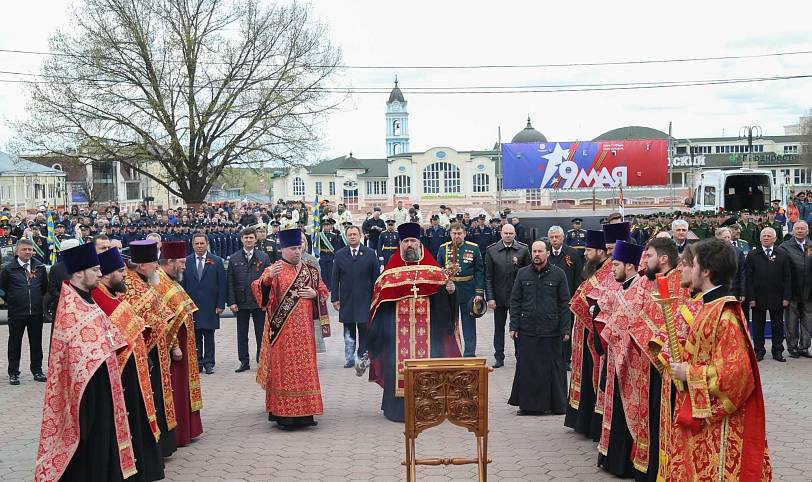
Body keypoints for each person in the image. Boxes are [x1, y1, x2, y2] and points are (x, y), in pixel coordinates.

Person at [667, 238, 772, 481]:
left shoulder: (725, 315)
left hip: (719, 423)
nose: (688, 270)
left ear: (705, 271)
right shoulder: (707, 307)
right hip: (699, 415)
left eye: (692, 265)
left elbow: (737, 376)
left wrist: (688, 373)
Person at [34, 242, 135, 482]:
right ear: (79, 272)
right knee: (91, 443)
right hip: (87, 394)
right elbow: (77, 356)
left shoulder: (87, 300)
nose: (100, 273)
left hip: (103, 385)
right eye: (95, 269)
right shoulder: (70, 307)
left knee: (104, 438)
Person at [365, 222, 462, 422]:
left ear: (419, 243)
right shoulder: (390, 272)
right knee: (395, 366)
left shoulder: (433, 270)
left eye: (413, 241)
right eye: (406, 241)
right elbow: (380, 304)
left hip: (428, 334)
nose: (410, 245)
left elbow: (443, 301)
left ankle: (428, 407)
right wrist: (379, 335)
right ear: (400, 244)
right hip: (396, 336)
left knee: (429, 366)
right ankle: (397, 410)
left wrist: (450, 292)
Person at [92, 247, 165, 482]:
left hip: (136, 370)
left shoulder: (112, 294)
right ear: (105, 274)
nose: (125, 275)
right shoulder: (99, 297)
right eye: (120, 271)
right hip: (123, 373)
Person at [251, 228, 330, 429]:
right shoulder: (273, 270)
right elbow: (260, 294)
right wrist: (267, 281)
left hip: (305, 334)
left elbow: (323, 291)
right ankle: (284, 415)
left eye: (299, 247)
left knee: (305, 372)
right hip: (282, 334)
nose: (297, 251)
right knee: (284, 373)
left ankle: (306, 414)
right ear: (283, 249)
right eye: (293, 248)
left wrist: (315, 295)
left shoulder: (310, 271)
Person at [121, 240, 177, 458]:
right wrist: (158, 320)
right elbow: (135, 319)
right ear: (142, 264)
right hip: (145, 350)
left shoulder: (146, 282)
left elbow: (160, 311)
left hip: (157, 349)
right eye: (153, 262)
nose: (157, 266)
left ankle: (163, 445)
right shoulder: (130, 285)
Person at [507, 240, 571, 415]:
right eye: (534, 251)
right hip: (527, 328)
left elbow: (564, 303)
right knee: (528, 367)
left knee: (554, 368)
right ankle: (529, 406)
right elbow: (515, 301)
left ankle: (557, 405)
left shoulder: (559, 275)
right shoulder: (522, 274)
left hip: (552, 329)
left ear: (547, 253)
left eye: (540, 251)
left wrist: (566, 329)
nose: (537, 254)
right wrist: (514, 326)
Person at [154, 241, 203, 447]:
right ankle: (179, 432)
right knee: (175, 389)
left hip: (184, 346)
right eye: (182, 262)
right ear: (170, 261)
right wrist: (174, 346)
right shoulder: (161, 283)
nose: (185, 266)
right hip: (174, 350)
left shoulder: (170, 280)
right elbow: (164, 320)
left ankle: (187, 429)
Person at [565, 230, 610, 441]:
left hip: (596, 334)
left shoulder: (608, 271)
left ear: (601, 252)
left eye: (589, 250)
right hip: (586, 329)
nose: (585, 254)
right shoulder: (595, 269)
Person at [2, 238, 49, 386]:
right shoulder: (8, 269)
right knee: (14, 343)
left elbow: (44, 289)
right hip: (17, 313)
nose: (28, 252)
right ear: (17, 251)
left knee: (36, 343)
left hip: (35, 312)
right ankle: (14, 373)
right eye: (24, 249)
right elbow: (3, 290)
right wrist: (13, 301)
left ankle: (37, 370)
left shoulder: (39, 267)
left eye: (30, 249)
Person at [331, 225, 379, 367]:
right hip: (347, 300)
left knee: (364, 329)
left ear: (360, 236)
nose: (352, 236)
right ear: (346, 237)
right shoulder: (340, 254)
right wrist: (334, 298)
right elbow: (335, 278)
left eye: (355, 234)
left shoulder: (370, 253)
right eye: (350, 234)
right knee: (349, 330)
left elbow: (376, 278)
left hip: (365, 299)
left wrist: (376, 298)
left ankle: (363, 357)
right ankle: (350, 358)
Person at [484, 223, 531, 368]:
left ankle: (520, 356)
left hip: (518, 298)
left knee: (519, 327)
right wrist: (490, 298)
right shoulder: (492, 251)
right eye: (506, 233)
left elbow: (529, 275)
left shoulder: (523, 250)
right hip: (498, 298)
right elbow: (488, 277)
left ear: (515, 234)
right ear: (501, 234)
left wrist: (527, 297)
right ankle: (499, 357)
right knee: (499, 328)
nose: (508, 236)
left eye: (511, 233)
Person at [227, 227, 272, 372]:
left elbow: (269, 282)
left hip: (259, 302)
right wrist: (232, 302)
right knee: (242, 334)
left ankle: (261, 360)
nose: (248, 240)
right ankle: (244, 361)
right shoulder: (234, 258)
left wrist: (266, 301)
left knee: (261, 333)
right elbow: (230, 282)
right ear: (241, 239)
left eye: (251, 238)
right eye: (246, 238)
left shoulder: (263, 257)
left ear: (255, 239)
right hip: (241, 302)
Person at [437, 223, 485, 356]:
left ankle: (469, 353)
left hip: (467, 289)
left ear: (464, 234)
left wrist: (479, 292)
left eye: (459, 233)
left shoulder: (473, 248)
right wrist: (442, 287)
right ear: (450, 234)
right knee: (449, 322)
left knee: (468, 322)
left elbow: (480, 271)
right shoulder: (443, 249)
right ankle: (451, 351)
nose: (456, 236)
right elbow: (438, 270)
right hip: (449, 290)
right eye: (454, 233)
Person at [745, 227, 791, 362]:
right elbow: (748, 277)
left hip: (778, 296)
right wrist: (751, 298)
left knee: (778, 326)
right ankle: (759, 351)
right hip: (758, 297)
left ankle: (777, 351)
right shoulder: (753, 255)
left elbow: (788, 277)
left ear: (775, 239)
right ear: (759, 238)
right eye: (763, 236)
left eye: (769, 236)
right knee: (758, 327)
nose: (766, 238)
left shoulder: (782, 254)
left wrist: (787, 297)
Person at [184, 233, 226, 374]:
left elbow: (222, 284)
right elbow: (183, 285)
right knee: (195, 335)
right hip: (192, 305)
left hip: (210, 305)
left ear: (207, 244)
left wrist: (220, 304)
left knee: (209, 335)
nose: (200, 246)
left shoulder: (216, 261)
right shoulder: (187, 261)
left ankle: (209, 363)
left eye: (202, 243)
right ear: (193, 245)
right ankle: (198, 362)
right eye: (197, 243)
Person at [547, 226, 583, 371]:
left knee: (566, 330)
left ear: (563, 238)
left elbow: (578, 276)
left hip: (567, 300)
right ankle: (550, 357)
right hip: (549, 299)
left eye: (557, 237)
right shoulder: (546, 253)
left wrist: (575, 298)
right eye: (552, 237)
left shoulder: (572, 253)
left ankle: (566, 359)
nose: (554, 240)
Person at [777, 220, 811, 358]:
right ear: (793, 231)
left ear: (807, 231)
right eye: (797, 228)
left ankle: (804, 347)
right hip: (792, 290)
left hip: (809, 291)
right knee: (791, 321)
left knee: (808, 321)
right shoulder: (784, 247)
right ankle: (792, 347)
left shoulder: (811, 245)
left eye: (803, 228)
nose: (800, 231)